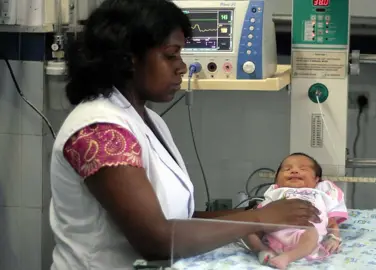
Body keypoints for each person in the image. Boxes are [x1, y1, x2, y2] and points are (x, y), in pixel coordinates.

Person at [48, 0, 320, 269]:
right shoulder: (99, 131)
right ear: (129, 59)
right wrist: (259, 220)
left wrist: (260, 214)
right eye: (170, 55)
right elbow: (157, 241)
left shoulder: (145, 119)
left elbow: (180, 218)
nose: (181, 66)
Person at [245, 153, 348, 269]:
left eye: (303, 169)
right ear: (277, 179)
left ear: (316, 179)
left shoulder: (320, 193)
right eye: (287, 169)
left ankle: (287, 258)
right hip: (274, 232)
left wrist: (334, 237)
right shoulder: (276, 192)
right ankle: (264, 250)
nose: (294, 171)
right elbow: (261, 215)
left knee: (311, 233)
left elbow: (331, 222)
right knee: (249, 230)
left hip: (304, 231)